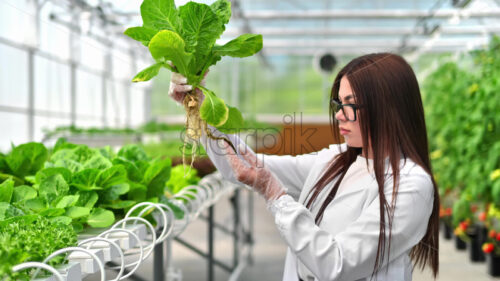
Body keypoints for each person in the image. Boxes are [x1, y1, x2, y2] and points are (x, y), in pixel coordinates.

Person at [168, 53, 439, 281]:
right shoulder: (337, 159)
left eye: (351, 105)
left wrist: (276, 196)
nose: (339, 115)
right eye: (338, 104)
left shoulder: (411, 186)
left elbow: (338, 264)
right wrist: (196, 106)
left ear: (387, 109)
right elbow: (241, 166)